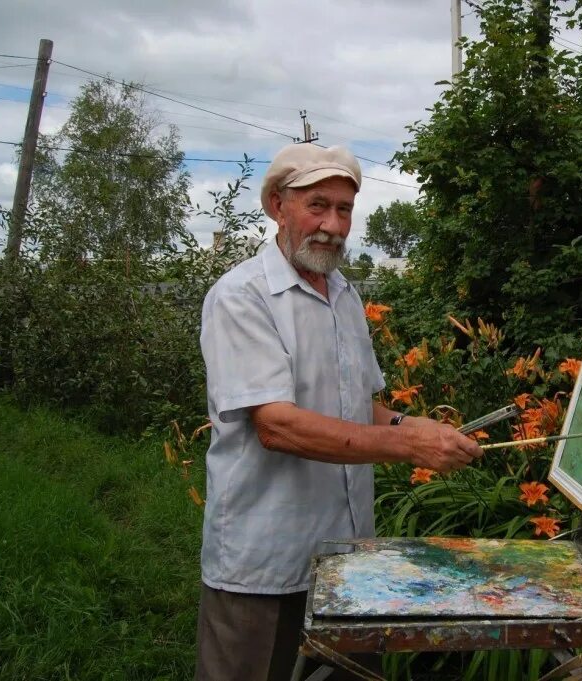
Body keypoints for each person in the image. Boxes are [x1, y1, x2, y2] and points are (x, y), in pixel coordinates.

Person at [196, 143, 484, 681]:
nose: (332, 224)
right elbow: (276, 425)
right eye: (317, 205)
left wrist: (406, 424)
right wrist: (408, 447)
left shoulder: (345, 295)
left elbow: (358, 404)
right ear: (277, 206)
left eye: (344, 209)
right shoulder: (242, 296)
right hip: (266, 556)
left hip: (349, 557)